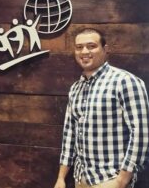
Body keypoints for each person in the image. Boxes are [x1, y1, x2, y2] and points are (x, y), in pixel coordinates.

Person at [53, 28, 149, 188]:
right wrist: (61, 178)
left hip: (110, 180)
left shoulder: (125, 82)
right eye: (79, 47)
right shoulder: (76, 88)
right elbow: (69, 134)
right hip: (81, 179)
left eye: (91, 46)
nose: (84, 51)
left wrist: (121, 181)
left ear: (105, 49)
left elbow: (142, 133)